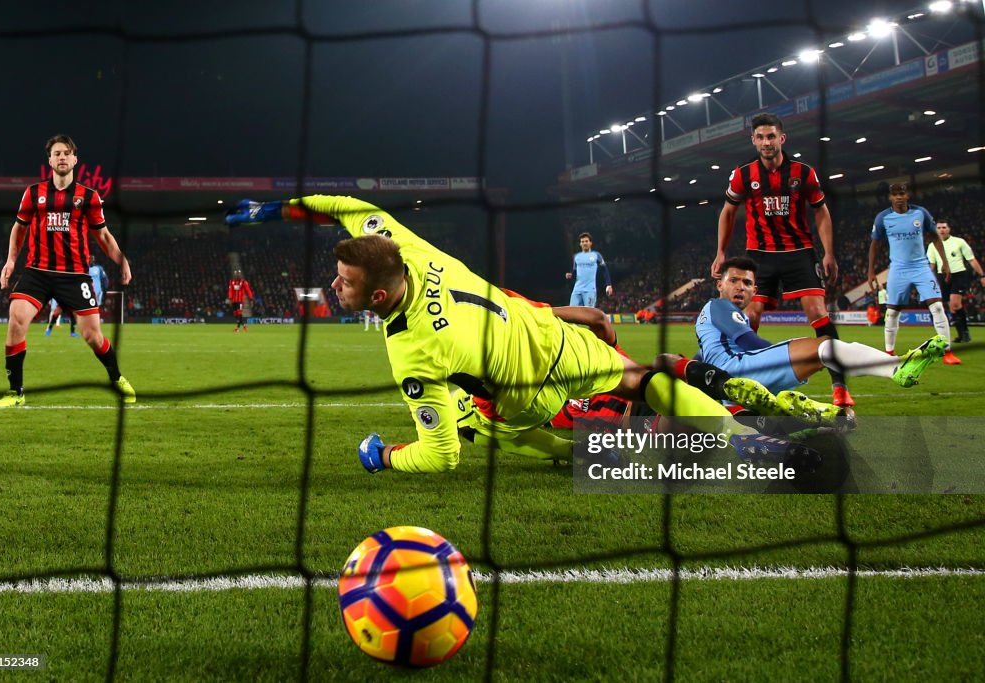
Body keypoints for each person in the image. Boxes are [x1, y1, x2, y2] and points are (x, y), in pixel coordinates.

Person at [226, 195, 818, 473]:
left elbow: (440, 456)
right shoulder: (407, 247)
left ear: (379, 297)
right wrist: (271, 210)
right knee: (643, 379)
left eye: (345, 282)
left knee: (499, 426)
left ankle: (595, 451)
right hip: (555, 339)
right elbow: (343, 204)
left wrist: (379, 455)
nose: (333, 285)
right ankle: (744, 439)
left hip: (523, 397)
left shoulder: (412, 352)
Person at [711, 112, 854, 411]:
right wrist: (721, 253)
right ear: (753, 140)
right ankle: (745, 382)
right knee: (750, 316)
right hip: (759, 255)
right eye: (761, 137)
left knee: (818, 312)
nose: (766, 142)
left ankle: (839, 385)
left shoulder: (803, 172)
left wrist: (828, 252)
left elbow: (821, 211)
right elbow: (728, 211)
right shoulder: (742, 175)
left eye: (771, 136)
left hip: (799, 251)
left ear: (782, 138)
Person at [0, 134, 135, 407]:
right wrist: (11, 261)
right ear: (49, 160)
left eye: (66, 153)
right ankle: (15, 392)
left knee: (92, 335)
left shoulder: (89, 197)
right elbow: (19, 229)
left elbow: (103, 236)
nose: (62, 157)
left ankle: (116, 377)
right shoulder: (33, 193)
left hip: (75, 276)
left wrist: (122, 260)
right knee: (16, 319)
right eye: (57, 153)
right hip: (37, 272)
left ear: (75, 159)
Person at [692, 256, 946, 403]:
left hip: (727, 382)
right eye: (734, 280)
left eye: (747, 283)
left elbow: (702, 355)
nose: (740, 287)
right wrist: (791, 354)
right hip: (740, 370)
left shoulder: (714, 314)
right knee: (823, 346)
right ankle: (897, 368)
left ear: (755, 291)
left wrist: (690, 373)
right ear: (720, 285)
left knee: (821, 355)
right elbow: (749, 343)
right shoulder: (720, 306)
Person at [868, 183, 959, 364]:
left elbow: (935, 237)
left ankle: (947, 352)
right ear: (890, 197)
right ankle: (889, 353)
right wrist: (871, 271)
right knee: (892, 312)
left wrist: (945, 262)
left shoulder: (920, 213)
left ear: (907, 195)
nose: (899, 197)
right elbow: (875, 244)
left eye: (901, 193)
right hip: (898, 269)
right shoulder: (883, 218)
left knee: (937, 307)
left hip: (921, 267)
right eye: (895, 194)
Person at [927, 218, 984, 344]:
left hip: (959, 275)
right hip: (942, 276)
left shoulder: (959, 242)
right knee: (952, 308)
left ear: (949, 229)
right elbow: (932, 265)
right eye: (939, 228)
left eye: (944, 227)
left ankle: (965, 333)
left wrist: (982, 275)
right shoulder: (932, 245)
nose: (941, 230)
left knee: (955, 304)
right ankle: (962, 334)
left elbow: (971, 259)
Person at [564, 232, 612, 308]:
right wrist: (571, 275)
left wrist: (608, 285)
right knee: (572, 311)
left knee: (588, 312)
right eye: (582, 241)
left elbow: (604, 270)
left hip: (590, 290)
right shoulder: (576, 256)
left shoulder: (596, 255)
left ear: (590, 243)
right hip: (577, 290)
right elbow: (575, 272)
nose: (584, 243)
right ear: (580, 244)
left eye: (586, 241)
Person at [88, 255, 110, 320]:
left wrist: (105, 288)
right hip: (87, 290)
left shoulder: (99, 268)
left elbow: (105, 278)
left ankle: (96, 319)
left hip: (98, 291)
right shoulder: (84, 268)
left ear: (94, 260)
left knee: (97, 305)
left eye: (92, 259)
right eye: (90, 259)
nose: (91, 260)